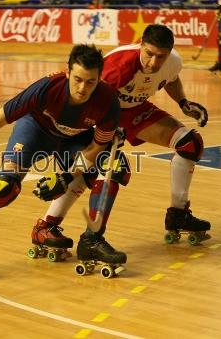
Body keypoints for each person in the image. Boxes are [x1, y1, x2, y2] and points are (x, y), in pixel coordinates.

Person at [0, 44, 123, 271]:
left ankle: (91, 240)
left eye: (90, 82)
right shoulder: (46, 88)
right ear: (68, 72)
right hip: (35, 132)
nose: (82, 88)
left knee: (113, 165)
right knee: (4, 186)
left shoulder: (108, 101)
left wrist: (65, 176)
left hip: (73, 141)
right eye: (78, 79)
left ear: (100, 79)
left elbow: (97, 146)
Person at [35, 25, 211, 252]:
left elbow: (171, 78)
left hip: (135, 109)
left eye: (161, 56)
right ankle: (48, 226)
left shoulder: (172, 62)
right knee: (102, 168)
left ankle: (178, 214)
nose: (153, 63)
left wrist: (184, 103)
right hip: (101, 112)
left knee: (190, 144)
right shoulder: (118, 68)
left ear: (169, 53)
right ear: (140, 44)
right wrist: (102, 129)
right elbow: (88, 98)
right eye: (149, 54)